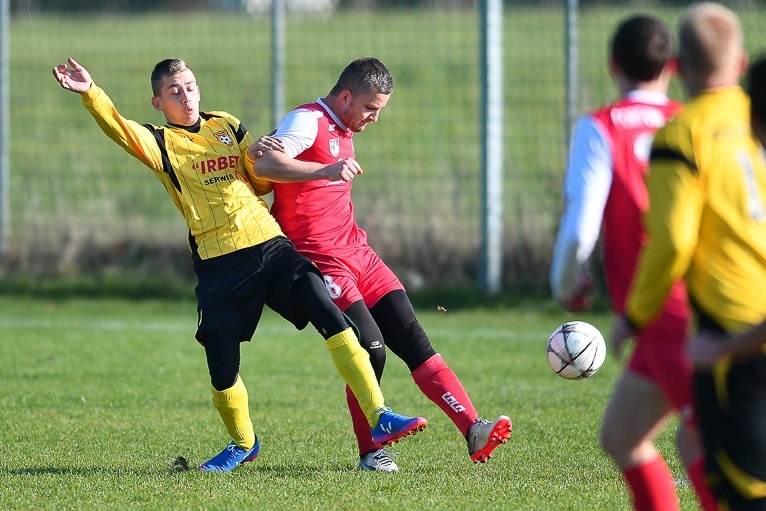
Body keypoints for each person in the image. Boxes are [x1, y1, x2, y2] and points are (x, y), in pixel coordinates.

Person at [51, 57, 427, 473]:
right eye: (174, 91)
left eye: (190, 86)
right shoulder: (160, 142)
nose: (185, 96)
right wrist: (91, 93)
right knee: (222, 361)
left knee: (326, 308)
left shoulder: (227, 125)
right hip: (220, 262)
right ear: (158, 103)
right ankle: (243, 443)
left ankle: (379, 415)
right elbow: (118, 127)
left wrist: (258, 154)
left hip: (269, 243)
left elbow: (261, 181)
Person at [250, 57, 512, 473]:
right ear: (346, 97)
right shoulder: (307, 120)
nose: (374, 118)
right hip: (322, 260)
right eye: (371, 108)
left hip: (359, 253)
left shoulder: (344, 127)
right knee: (371, 348)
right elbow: (264, 165)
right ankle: (371, 453)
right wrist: (326, 169)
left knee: (412, 336)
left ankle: (473, 429)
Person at [550, 15, 717, 511]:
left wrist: (566, 282)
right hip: (687, 305)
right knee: (622, 437)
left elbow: (580, 225)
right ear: (672, 66)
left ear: (612, 65)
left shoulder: (600, 126)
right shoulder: (693, 122)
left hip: (669, 311)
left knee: (705, 446)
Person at [610, 4, 766, 509]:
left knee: (742, 488)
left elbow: (672, 242)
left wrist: (635, 314)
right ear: (740, 63)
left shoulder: (683, 133)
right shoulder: (755, 119)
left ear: (677, 64)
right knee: (624, 434)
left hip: (735, 328)